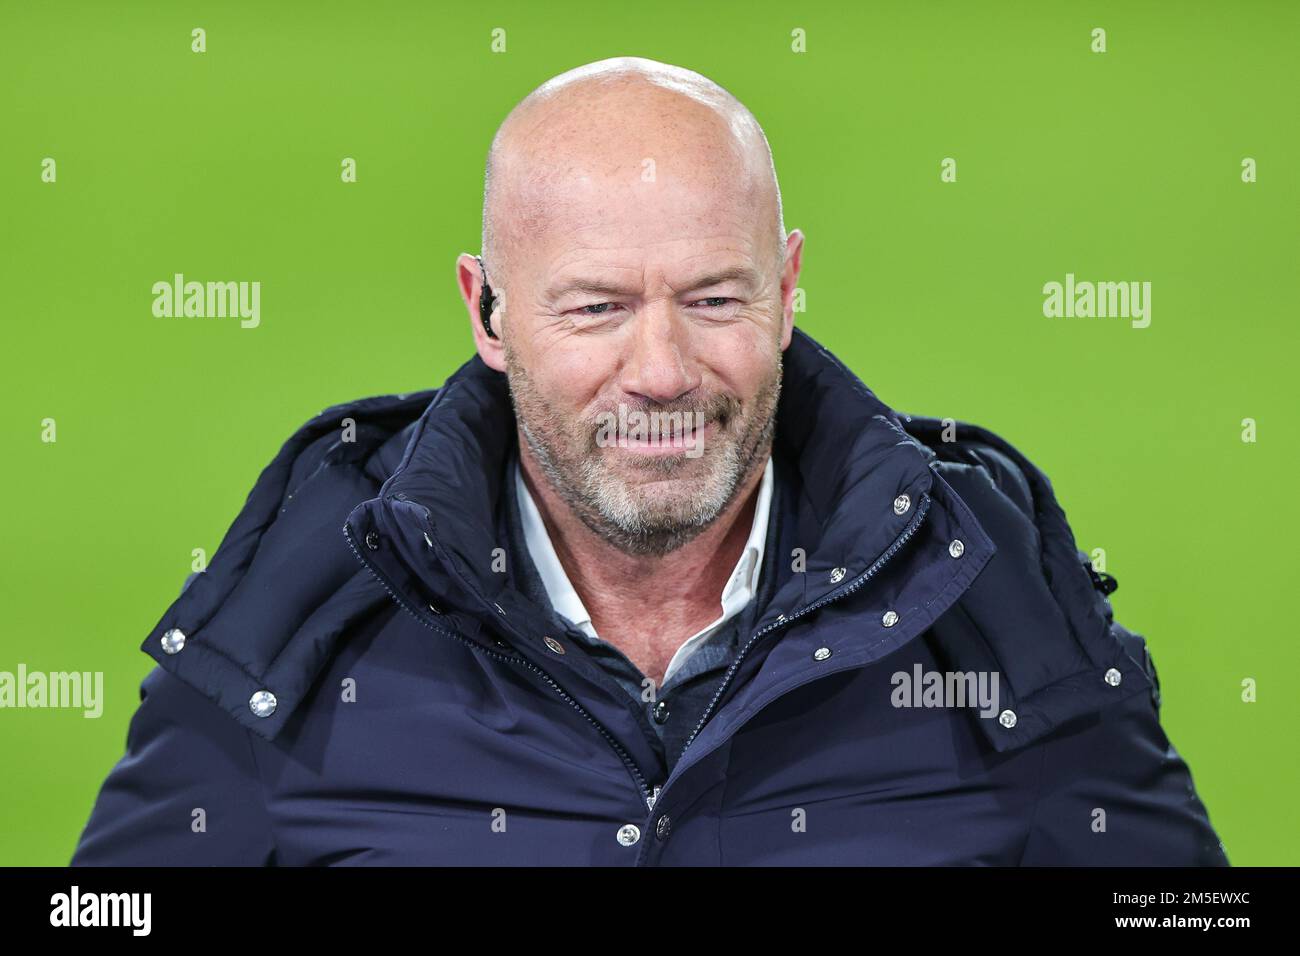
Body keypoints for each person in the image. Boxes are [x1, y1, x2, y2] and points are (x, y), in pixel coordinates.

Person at [71, 57, 1227, 865]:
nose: (662, 368)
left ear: (786, 289)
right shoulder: (305, 599)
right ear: (488, 311)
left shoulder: (987, 583)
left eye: (713, 297)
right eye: (596, 307)